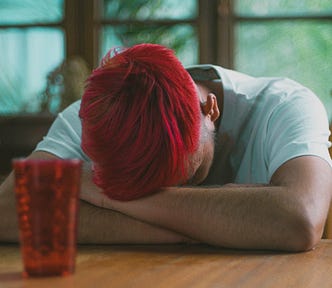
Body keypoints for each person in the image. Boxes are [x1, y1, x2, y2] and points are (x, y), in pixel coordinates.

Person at [1, 43, 332, 251]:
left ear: (210, 109)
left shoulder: (285, 106)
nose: (171, 192)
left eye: (186, 176)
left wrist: (106, 197)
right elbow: (6, 213)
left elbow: (299, 219)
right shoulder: (96, 116)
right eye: (140, 191)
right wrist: (212, 228)